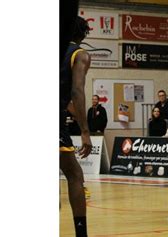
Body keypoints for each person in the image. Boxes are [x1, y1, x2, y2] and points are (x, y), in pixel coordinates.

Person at [60, 16, 92, 237]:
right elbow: (77, 92)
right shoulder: (79, 55)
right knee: (74, 175)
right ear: (83, 34)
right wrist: (85, 131)